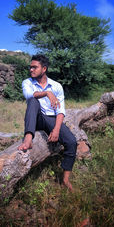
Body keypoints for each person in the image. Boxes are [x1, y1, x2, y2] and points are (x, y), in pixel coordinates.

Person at [18, 54, 77, 191]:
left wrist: (56, 130)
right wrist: (47, 93)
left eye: (34, 67)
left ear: (44, 69)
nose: (31, 70)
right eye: (30, 67)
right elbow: (29, 95)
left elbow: (60, 111)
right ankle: (28, 138)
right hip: (37, 118)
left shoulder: (56, 86)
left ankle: (65, 179)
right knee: (33, 101)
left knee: (71, 142)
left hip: (51, 119)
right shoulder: (27, 82)